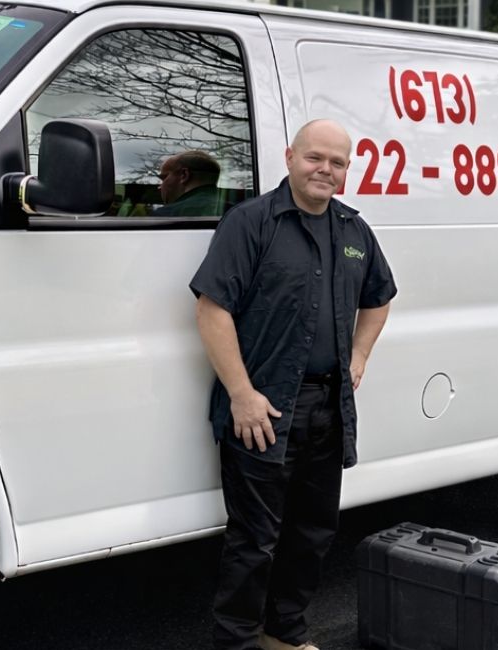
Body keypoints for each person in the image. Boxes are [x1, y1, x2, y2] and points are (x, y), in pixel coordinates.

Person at [190, 119, 397, 650]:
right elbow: (213, 311)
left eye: (337, 162)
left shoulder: (354, 231)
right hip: (264, 410)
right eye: (315, 158)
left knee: (312, 534)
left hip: (329, 406)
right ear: (289, 157)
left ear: (347, 171)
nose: (325, 169)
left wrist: (359, 355)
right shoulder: (251, 223)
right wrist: (241, 394)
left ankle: (284, 635)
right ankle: (236, 643)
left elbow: (380, 296)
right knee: (254, 541)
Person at [153, 150, 223, 216]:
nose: (160, 187)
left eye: (164, 178)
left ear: (184, 175)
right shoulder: (231, 211)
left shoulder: (168, 214)